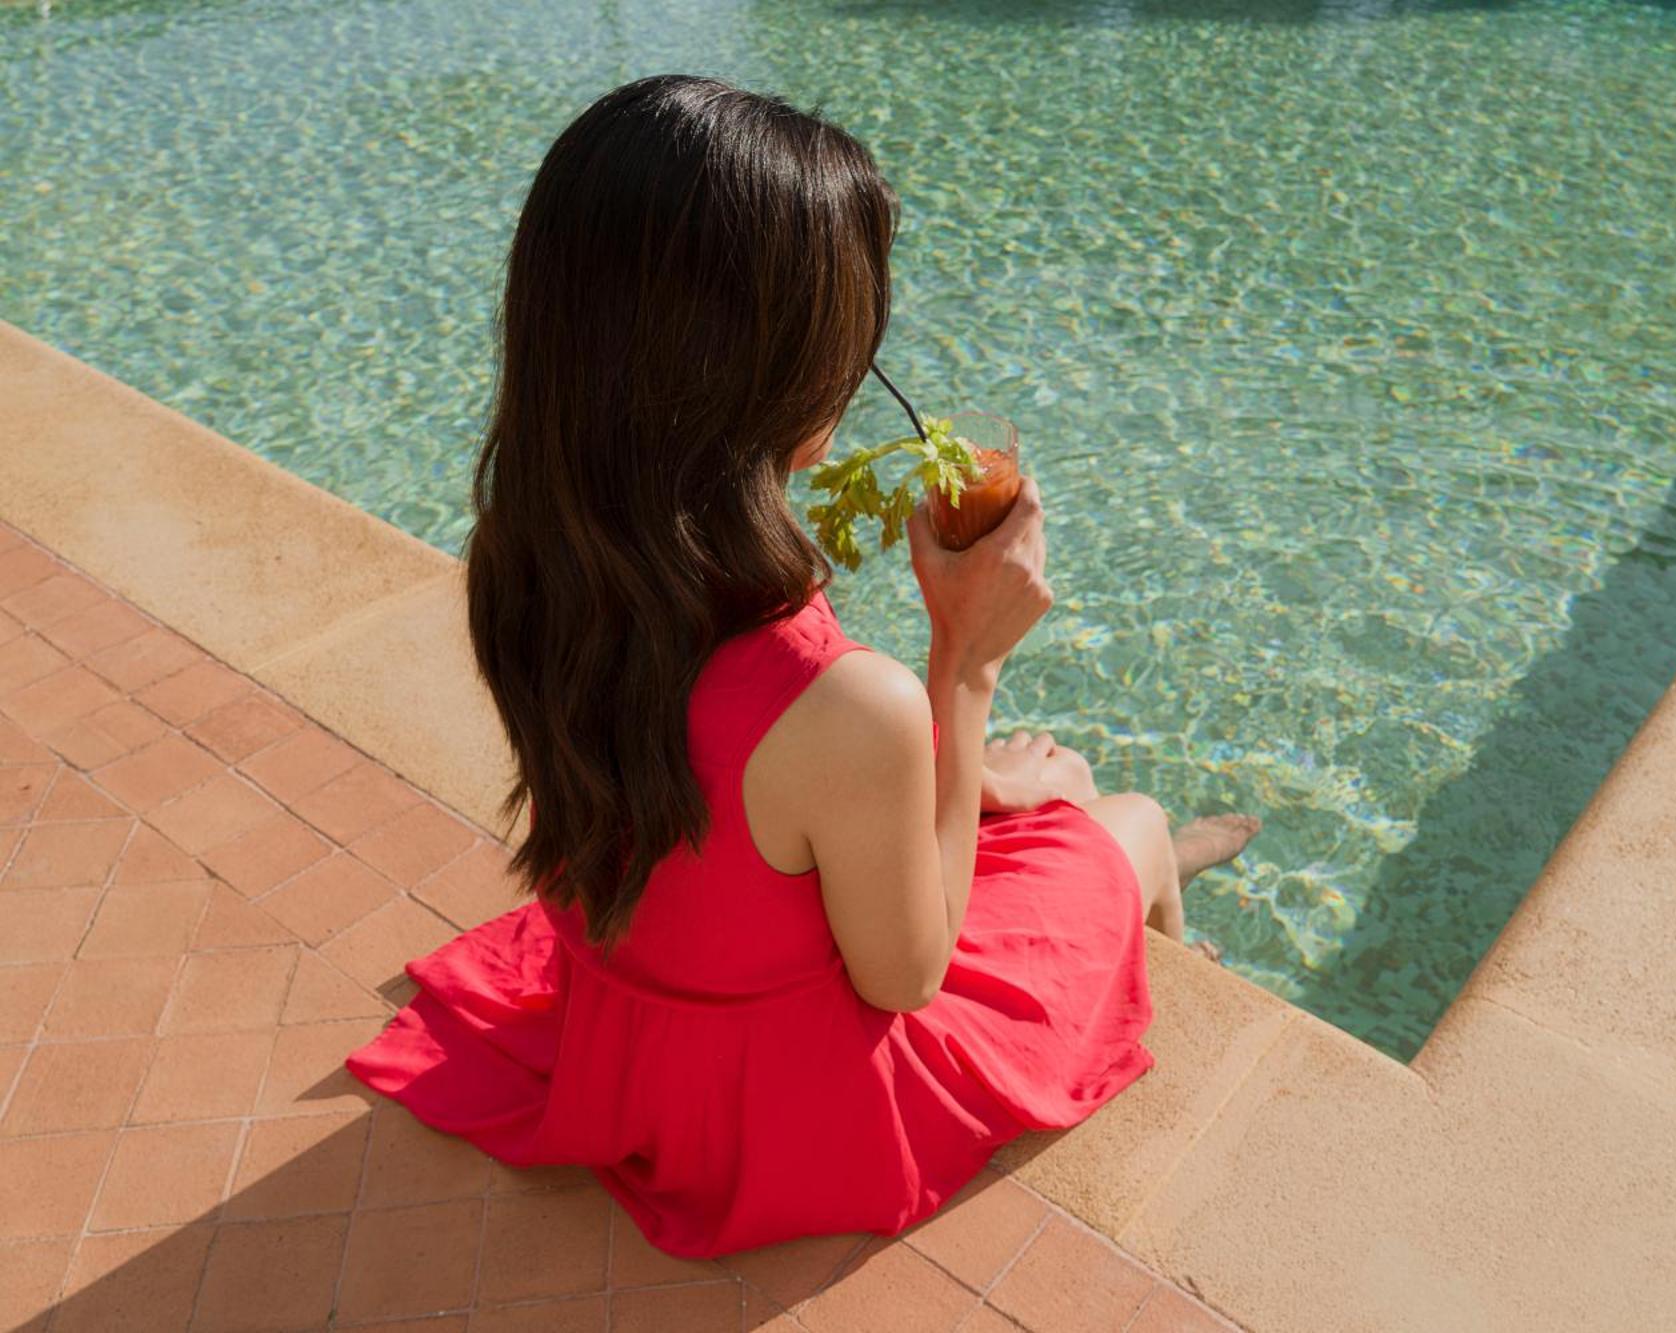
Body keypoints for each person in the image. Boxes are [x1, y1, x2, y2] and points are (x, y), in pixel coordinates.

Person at [343, 73, 1260, 1259]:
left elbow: (715, 788)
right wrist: (961, 670)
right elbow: (902, 980)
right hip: (790, 1103)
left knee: (1027, 798)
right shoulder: (840, 697)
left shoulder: (525, 560)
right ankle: (1162, 915)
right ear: (781, 374)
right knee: (1121, 815)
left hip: (635, 1018)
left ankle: (1064, 835)